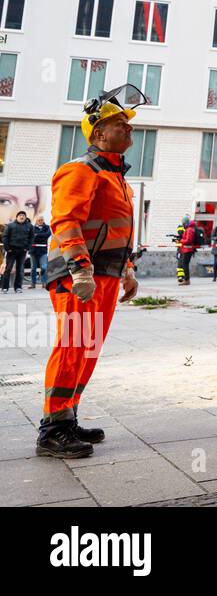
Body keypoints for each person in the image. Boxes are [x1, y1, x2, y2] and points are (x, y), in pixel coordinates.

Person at [37, 84, 142, 458]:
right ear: (98, 133)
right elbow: (66, 222)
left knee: (88, 348)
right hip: (79, 277)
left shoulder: (117, 177)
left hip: (106, 276)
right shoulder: (80, 170)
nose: (129, 129)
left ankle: (68, 417)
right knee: (73, 346)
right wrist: (80, 271)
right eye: (120, 124)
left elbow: (116, 229)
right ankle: (53, 429)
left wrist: (126, 269)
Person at [3, 210, 34, 292]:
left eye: (23, 215)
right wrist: (7, 248)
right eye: (20, 215)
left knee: (20, 269)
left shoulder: (29, 226)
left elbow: (31, 238)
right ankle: (5, 287)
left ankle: (18, 287)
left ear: (25, 217)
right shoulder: (10, 226)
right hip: (11, 250)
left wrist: (27, 248)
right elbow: (5, 237)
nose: (22, 216)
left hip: (22, 251)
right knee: (8, 269)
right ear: (17, 217)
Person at [175, 216, 200, 285]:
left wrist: (180, 241)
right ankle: (186, 280)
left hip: (187, 250)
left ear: (185, 222)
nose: (182, 224)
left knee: (185, 265)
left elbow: (188, 240)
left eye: (183, 223)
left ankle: (187, 280)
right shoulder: (189, 228)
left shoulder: (190, 229)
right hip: (186, 249)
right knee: (184, 264)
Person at [29, 215, 51, 288]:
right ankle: (33, 283)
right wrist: (41, 236)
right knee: (33, 268)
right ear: (36, 221)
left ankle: (44, 282)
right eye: (39, 220)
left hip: (43, 251)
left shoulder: (47, 227)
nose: (40, 221)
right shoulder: (32, 228)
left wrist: (37, 235)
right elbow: (32, 237)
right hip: (33, 251)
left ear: (43, 220)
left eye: (41, 220)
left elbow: (47, 234)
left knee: (44, 267)